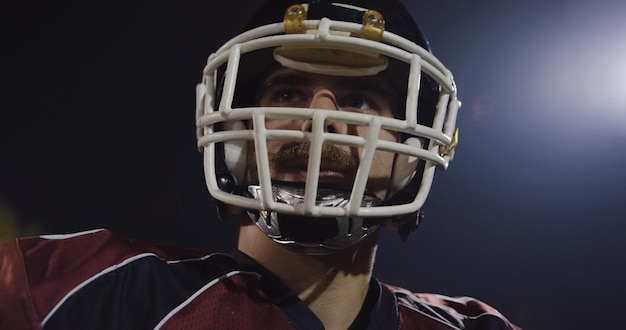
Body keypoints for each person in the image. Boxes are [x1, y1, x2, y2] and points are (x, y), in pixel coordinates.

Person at [0, 0, 520, 329]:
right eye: (289, 92)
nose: (320, 121)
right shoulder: (86, 293)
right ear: (234, 136)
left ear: (413, 145)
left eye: (360, 101)